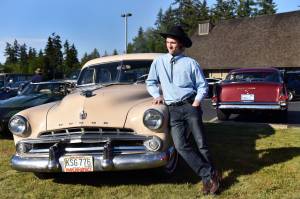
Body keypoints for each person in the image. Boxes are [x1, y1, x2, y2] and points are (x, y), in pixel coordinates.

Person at [146, 25, 221, 195]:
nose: (169, 46)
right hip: (172, 109)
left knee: (201, 145)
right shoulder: (158, 62)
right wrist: (156, 94)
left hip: (190, 106)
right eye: (167, 42)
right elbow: (150, 81)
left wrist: (195, 102)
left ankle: (208, 180)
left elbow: (202, 85)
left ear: (180, 44)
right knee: (180, 146)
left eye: (172, 42)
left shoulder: (191, 63)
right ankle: (209, 175)